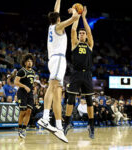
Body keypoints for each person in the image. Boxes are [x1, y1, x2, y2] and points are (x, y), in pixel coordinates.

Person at [37, 0, 79, 143]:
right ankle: (45, 118)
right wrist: (74, 10)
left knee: (56, 91)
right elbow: (75, 18)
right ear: (59, 19)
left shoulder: (51, 25)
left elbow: (56, 9)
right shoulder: (59, 26)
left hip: (54, 60)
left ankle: (58, 126)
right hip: (58, 60)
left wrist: (58, 0)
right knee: (54, 88)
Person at [64, 6, 95, 139]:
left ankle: (91, 126)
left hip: (87, 74)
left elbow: (89, 31)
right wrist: (76, 16)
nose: (82, 34)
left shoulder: (89, 44)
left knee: (89, 100)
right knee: (70, 99)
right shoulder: (75, 44)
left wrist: (83, 17)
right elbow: (73, 29)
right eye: (80, 33)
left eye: (83, 33)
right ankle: (67, 124)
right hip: (75, 74)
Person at [14, 53, 35, 139]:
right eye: (28, 61)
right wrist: (24, 86)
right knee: (23, 111)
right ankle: (19, 128)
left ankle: (24, 129)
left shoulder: (33, 72)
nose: (30, 63)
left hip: (30, 93)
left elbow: (31, 83)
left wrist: (33, 89)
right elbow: (16, 82)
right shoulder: (21, 71)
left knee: (29, 111)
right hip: (22, 93)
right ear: (25, 63)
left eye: (31, 61)